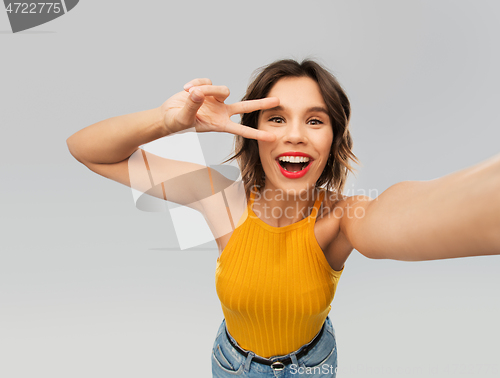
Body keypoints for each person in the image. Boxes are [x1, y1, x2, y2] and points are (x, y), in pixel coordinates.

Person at [66, 59, 500, 377]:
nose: (294, 134)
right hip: (231, 364)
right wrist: (168, 121)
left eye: (315, 120)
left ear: (333, 140)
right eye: (276, 119)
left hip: (311, 365)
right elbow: (87, 150)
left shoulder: (342, 219)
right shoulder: (220, 198)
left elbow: (421, 210)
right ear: (251, 135)